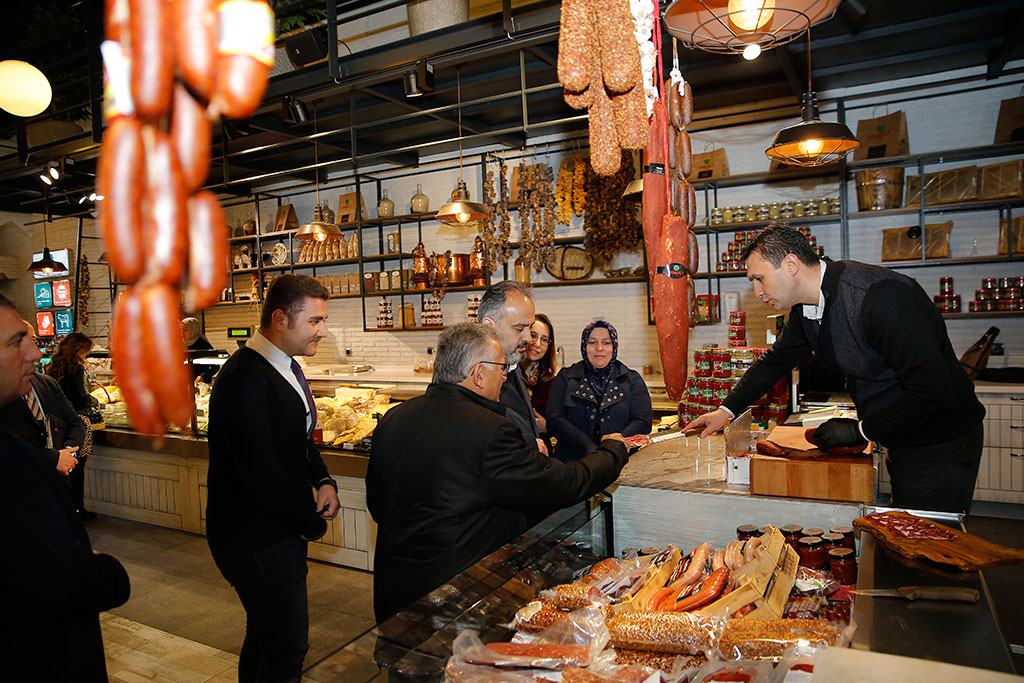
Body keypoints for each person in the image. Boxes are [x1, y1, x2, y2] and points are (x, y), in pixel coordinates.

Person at [685, 224, 985, 513]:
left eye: (759, 278)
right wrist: (725, 411)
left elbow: (932, 391)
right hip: (902, 433)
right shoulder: (807, 308)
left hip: (941, 440)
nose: (757, 291)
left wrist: (861, 431)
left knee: (928, 545)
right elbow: (775, 361)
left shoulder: (880, 298)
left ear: (791, 264)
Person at [367, 322, 629, 623]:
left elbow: (377, 504)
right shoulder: (490, 429)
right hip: (456, 600)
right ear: (479, 374)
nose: (505, 377)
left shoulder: (394, 418)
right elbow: (563, 484)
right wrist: (612, 451)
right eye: (501, 369)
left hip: (395, 590)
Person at [206, 274, 341, 682]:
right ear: (280, 319)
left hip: (273, 528)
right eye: (315, 321)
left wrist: (323, 478)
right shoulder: (246, 376)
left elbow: (297, 439)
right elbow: (259, 469)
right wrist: (309, 522)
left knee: (266, 635)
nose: (323, 330)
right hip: (254, 537)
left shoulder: (284, 366)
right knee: (286, 644)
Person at [0, 293, 130, 680]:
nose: (34, 355)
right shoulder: (13, 466)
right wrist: (106, 570)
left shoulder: (43, 387)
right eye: (14, 342)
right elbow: (59, 578)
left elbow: (75, 418)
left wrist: (70, 449)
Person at [546, 320, 653, 463]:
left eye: (606, 342)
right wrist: (591, 450)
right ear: (584, 346)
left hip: (620, 462)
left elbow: (643, 421)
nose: (599, 348)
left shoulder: (631, 379)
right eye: (592, 342)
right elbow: (554, 420)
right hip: (572, 465)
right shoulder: (566, 377)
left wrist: (613, 446)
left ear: (614, 346)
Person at [0, 324, 87, 482]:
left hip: (57, 485)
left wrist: (68, 453)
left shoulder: (47, 384)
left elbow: (76, 422)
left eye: (34, 340)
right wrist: (53, 459)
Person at [477, 280, 548, 455]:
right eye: (519, 328)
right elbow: (474, 438)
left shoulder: (512, 361)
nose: (528, 338)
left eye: (529, 328)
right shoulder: (473, 373)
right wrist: (529, 444)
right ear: (488, 326)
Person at [46, 331, 101, 521]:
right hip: (78, 422)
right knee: (77, 471)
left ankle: (68, 510)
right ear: (80, 349)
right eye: (87, 351)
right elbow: (81, 397)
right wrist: (95, 401)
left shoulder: (53, 367)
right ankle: (78, 511)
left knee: (66, 474)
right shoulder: (76, 369)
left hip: (58, 425)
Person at [519, 313, 557, 432]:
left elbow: (559, 422)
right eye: (533, 335)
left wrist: (547, 427)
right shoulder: (505, 375)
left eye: (544, 339)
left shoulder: (551, 382)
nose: (537, 344)